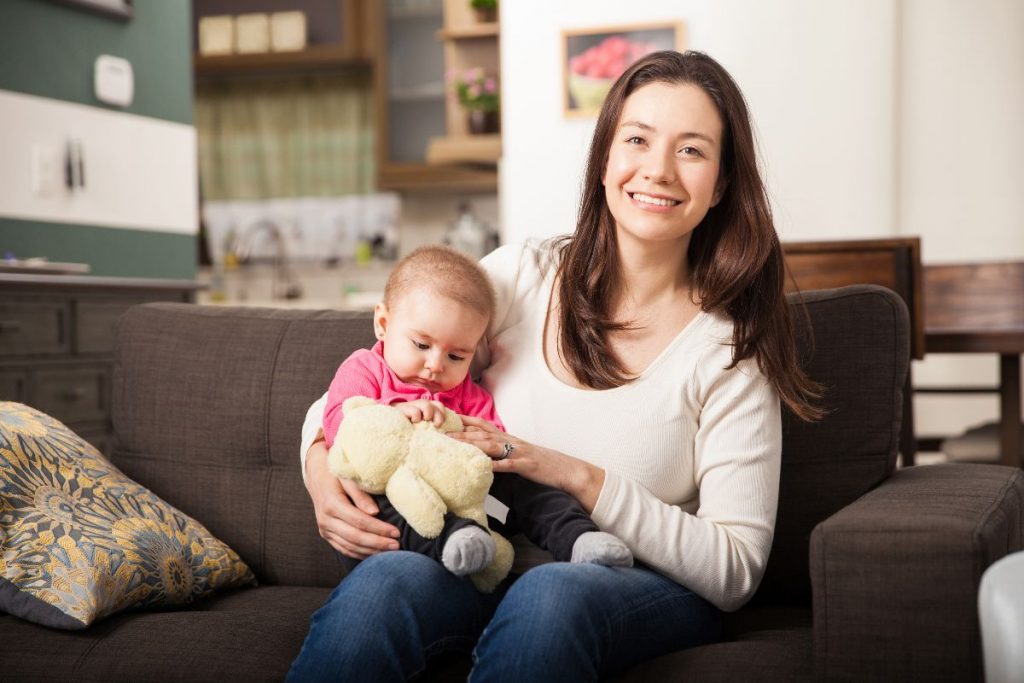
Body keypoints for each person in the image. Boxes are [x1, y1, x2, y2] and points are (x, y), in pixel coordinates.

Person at [289, 50, 822, 682]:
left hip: (636, 586)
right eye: (637, 139)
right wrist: (321, 469)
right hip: (491, 552)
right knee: (385, 582)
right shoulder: (522, 275)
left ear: (722, 184)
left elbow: (734, 570)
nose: (657, 170)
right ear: (604, 159)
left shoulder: (732, 349)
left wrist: (568, 474)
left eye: (691, 150)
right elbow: (368, 383)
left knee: (554, 594)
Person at [318, 244, 633, 580]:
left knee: (525, 484)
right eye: (421, 345)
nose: (435, 365)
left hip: (463, 502)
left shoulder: (469, 394)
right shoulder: (365, 369)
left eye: (456, 357)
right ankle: (455, 540)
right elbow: (340, 424)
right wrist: (398, 413)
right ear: (383, 322)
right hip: (392, 510)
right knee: (378, 502)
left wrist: (481, 448)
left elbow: (490, 451)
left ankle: (578, 538)